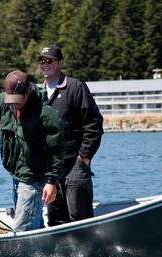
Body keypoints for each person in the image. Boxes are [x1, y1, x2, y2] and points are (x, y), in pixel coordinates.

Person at [0, 70, 65, 232]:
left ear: (28, 91)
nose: (15, 104)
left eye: (18, 100)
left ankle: (20, 255)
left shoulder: (47, 115)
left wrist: (51, 181)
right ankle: (44, 250)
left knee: (22, 227)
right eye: (11, 99)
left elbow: (56, 152)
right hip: (15, 175)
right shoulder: (2, 102)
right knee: (33, 224)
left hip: (34, 180)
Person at [38, 44, 104, 225]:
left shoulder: (75, 87)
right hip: (51, 168)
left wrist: (84, 157)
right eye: (42, 61)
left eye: (50, 60)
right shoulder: (38, 93)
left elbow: (94, 124)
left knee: (80, 219)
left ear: (60, 63)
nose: (45, 64)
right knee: (55, 219)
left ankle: (87, 253)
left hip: (75, 164)